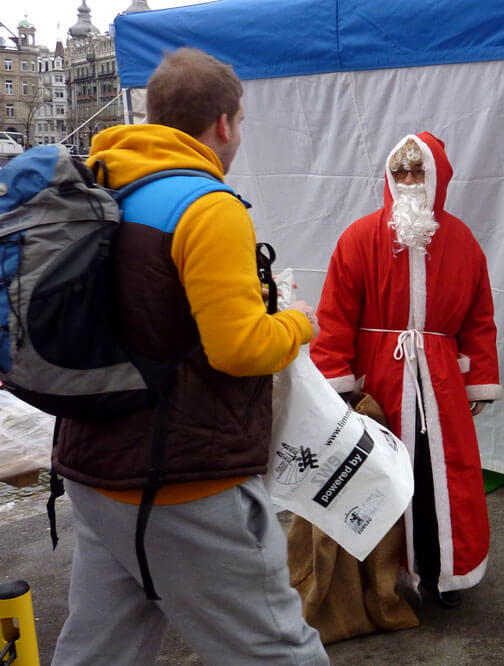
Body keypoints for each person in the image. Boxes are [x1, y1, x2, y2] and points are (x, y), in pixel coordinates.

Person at [50, 48, 329, 666]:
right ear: (225, 123)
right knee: (277, 652)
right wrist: (297, 323)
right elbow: (239, 348)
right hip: (183, 481)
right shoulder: (206, 206)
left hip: (94, 469)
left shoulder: (101, 180)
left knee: (100, 650)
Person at [312, 132, 501, 608]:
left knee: (445, 477)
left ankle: (444, 571)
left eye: (419, 172)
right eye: (401, 172)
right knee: (386, 479)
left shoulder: (462, 242)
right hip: (380, 380)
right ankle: (385, 577)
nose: (409, 182)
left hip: (440, 383)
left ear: (437, 177)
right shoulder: (359, 238)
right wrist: (337, 384)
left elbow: (480, 318)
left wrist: (478, 377)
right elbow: (334, 316)